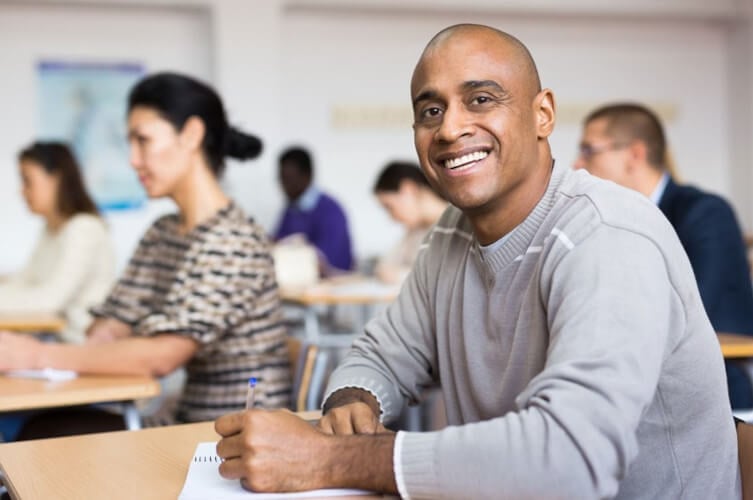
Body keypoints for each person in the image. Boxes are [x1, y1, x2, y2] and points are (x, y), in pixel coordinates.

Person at [213, 24, 739, 498]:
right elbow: (380, 354)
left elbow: (573, 461)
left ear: (543, 115)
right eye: (430, 111)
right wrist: (355, 397)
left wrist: (335, 459)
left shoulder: (607, 234)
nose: (448, 129)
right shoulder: (450, 236)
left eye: (481, 99)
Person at [0, 72, 291, 432]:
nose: (133, 160)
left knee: (39, 432)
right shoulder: (163, 233)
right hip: (183, 421)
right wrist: (104, 339)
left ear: (192, 135)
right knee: (41, 426)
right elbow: (113, 321)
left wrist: (34, 355)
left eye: (143, 140)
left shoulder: (232, 240)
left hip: (230, 440)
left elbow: (160, 356)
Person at [574, 102, 753, 409]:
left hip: (718, 390)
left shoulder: (706, 213)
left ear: (634, 154)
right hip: (643, 382)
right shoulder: (611, 219)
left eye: (590, 150)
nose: (578, 164)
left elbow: (687, 310)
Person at [0, 142, 115, 344]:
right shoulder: (51, 229)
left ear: (56, 179)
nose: (22, 191)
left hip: (79, 346)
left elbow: (50, 300)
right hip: (54, 341)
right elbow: (25, 280)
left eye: (27, 181)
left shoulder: (84, 228)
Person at [274, 146, 354, 273]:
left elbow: (327, 260)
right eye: (281, 178)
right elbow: (278, 246)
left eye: (289, 179)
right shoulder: (291, 209)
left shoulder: (330, 211)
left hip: (333, 287)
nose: (284, 185)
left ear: (307, 176)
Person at [372, 161, 446, 284]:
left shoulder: (460, 225)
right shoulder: (416, 231)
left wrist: (398, 274)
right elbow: (383, 268)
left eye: (389, 207)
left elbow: (440, 278)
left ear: (409, 189)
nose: (391, 217)